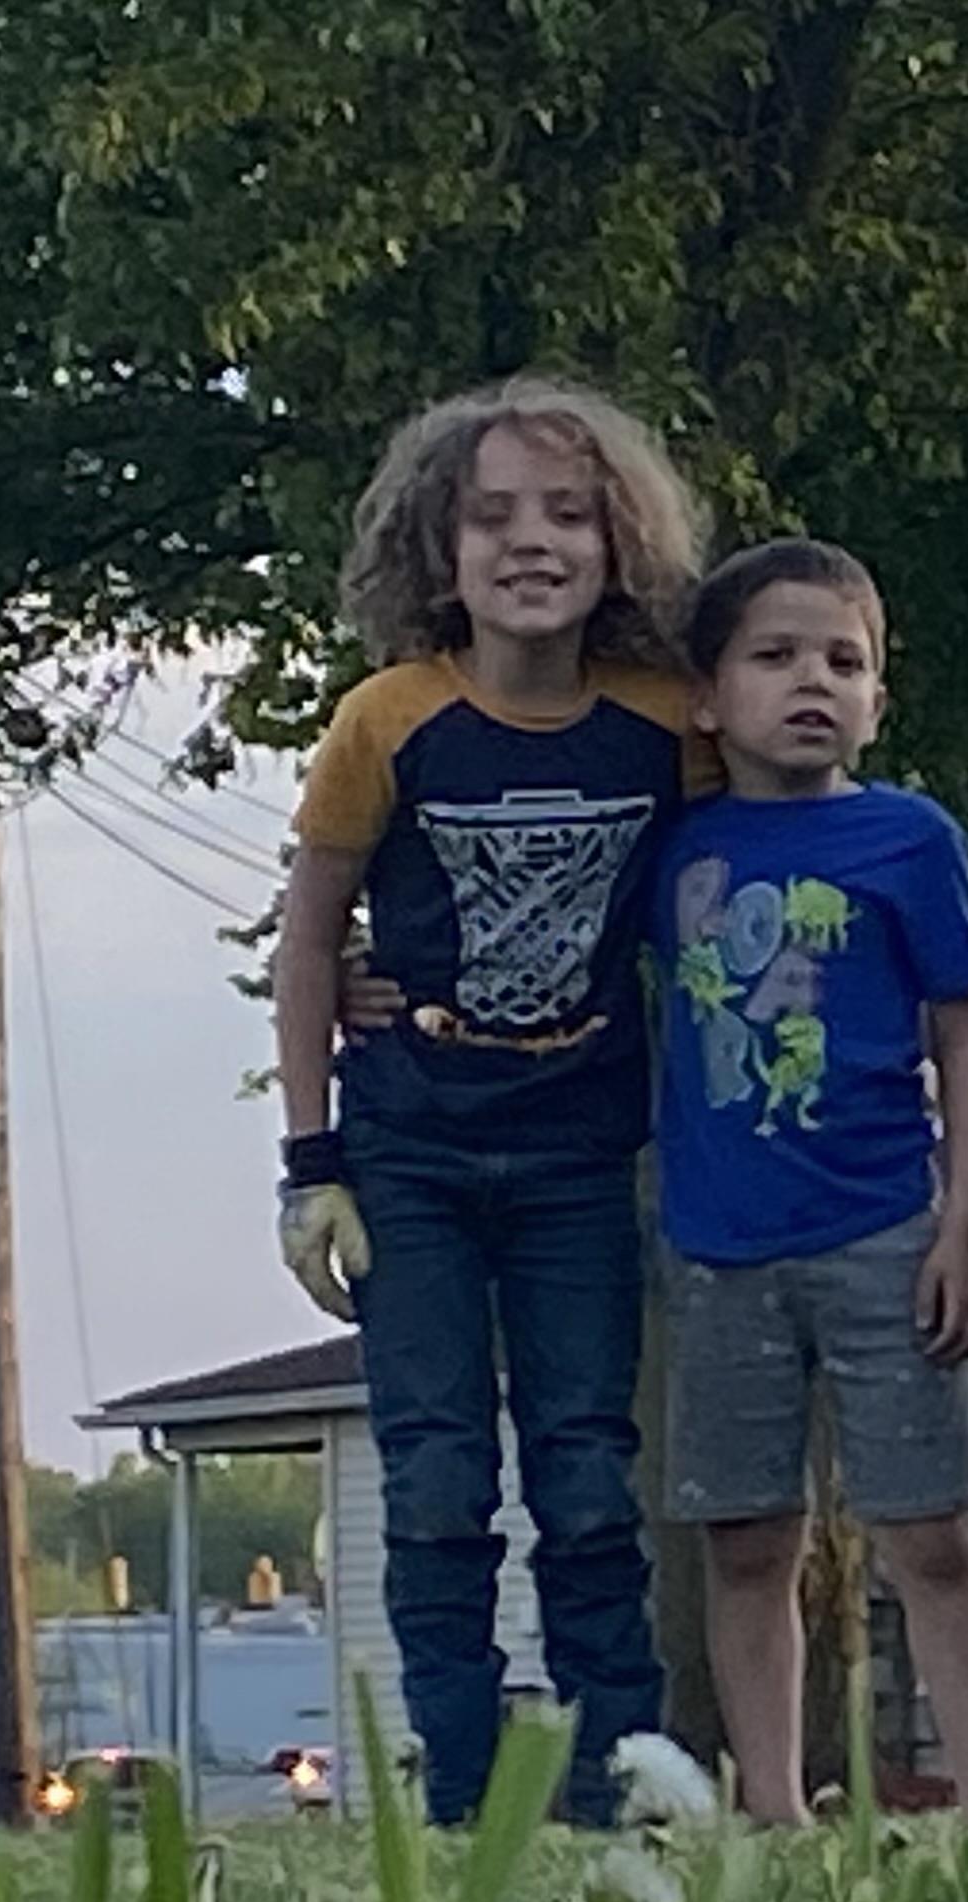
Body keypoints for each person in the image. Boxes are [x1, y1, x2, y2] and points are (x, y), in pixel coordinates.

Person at [271, 374, 717, 1826]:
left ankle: (621, 1787)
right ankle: (462, 1798)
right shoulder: (388, 720)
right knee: (437, 1478)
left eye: (570, 514)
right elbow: (309, 936)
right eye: (493, 517)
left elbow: (739, 887)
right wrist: (310, 1163)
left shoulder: (670, 727)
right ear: (438, 549)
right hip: (410, 1153)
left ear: (618, 544)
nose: (533, 542)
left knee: (588, 1475)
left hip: (584, 1154)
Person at [653, 536, 968, 1825]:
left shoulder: (908, 839)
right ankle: (775, 1808)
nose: (813, 681)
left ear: (876, 701)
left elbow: (966, 1034)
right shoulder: (673, 849)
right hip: (719, 1246)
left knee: (929, 1532)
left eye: (844, 663)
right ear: (707, 699)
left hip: (882, 1229)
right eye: (775, 656)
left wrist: (962, 1228)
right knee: (748, 1538)